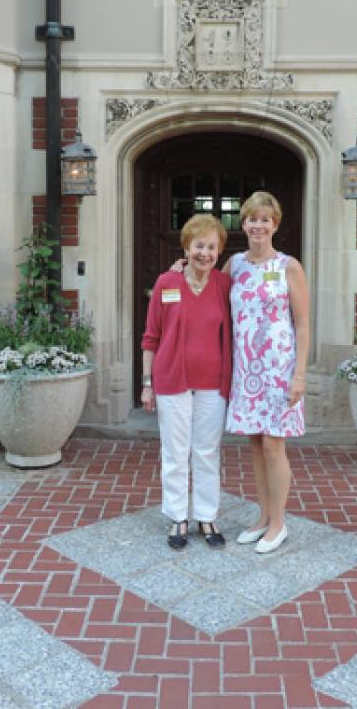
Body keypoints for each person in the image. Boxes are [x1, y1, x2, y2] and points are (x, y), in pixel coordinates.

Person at [141, 214, 233, 550]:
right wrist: (146, 383)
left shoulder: (224, 285)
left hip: (212, 382)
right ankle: (178, 516)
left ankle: (207, 516)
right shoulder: (167, 283)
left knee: (207, 451)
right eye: (199, 245)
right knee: (175, 452)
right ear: (186, 247)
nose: (205, 253)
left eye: (212, 246)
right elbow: (150, 337)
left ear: (219, 251)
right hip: (171, 380)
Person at [225, 191, 309, 554]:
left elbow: (303, 324)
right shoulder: (234, 266)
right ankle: (262, 517)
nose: (258, 225)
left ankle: (279, 523)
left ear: (275, 224)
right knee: (256, 444)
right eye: (252, 219)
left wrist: (300, 375)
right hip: (246, 370)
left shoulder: (288, 266)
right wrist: (178, 270)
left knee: (275, 445)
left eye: (265, 219)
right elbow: (204, 294)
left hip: (279, 368)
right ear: (243, 223)